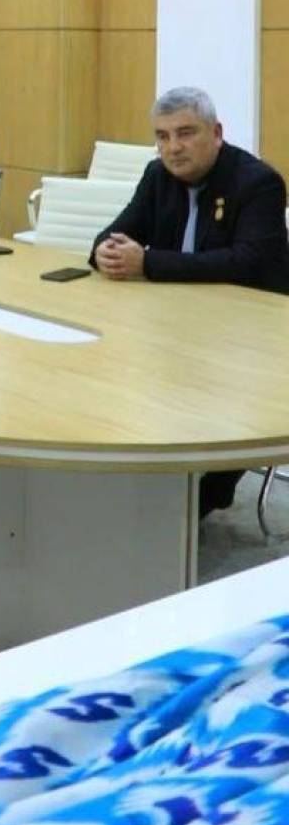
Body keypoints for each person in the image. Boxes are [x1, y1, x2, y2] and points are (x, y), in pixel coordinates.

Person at [90, 86, 289, 521]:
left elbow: (248, 261)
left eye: (185, 133)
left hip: (249, 338)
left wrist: (148, 262)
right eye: (162, 137)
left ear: (216, 133)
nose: (173, 148)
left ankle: (197, 499)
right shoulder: (157, 175)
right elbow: (116, 232)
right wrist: (104, 251)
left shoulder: (258, 183)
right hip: (174, 324)